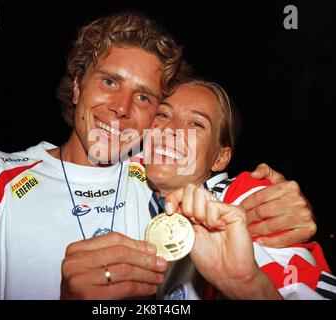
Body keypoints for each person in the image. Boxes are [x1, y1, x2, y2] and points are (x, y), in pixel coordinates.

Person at [0, 11, 316, 300]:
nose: (121, 108)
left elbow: (229, 195)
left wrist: (272, 204)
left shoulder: (161, 173)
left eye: (144, 97)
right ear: (77, 86)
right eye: (109, 81)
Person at [144, 78, 335, 299]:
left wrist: (249, 287)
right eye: (163, 114)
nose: (170, 129)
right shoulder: (127, 175)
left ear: (220, 158)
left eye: (196, 124)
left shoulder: (248, 199)